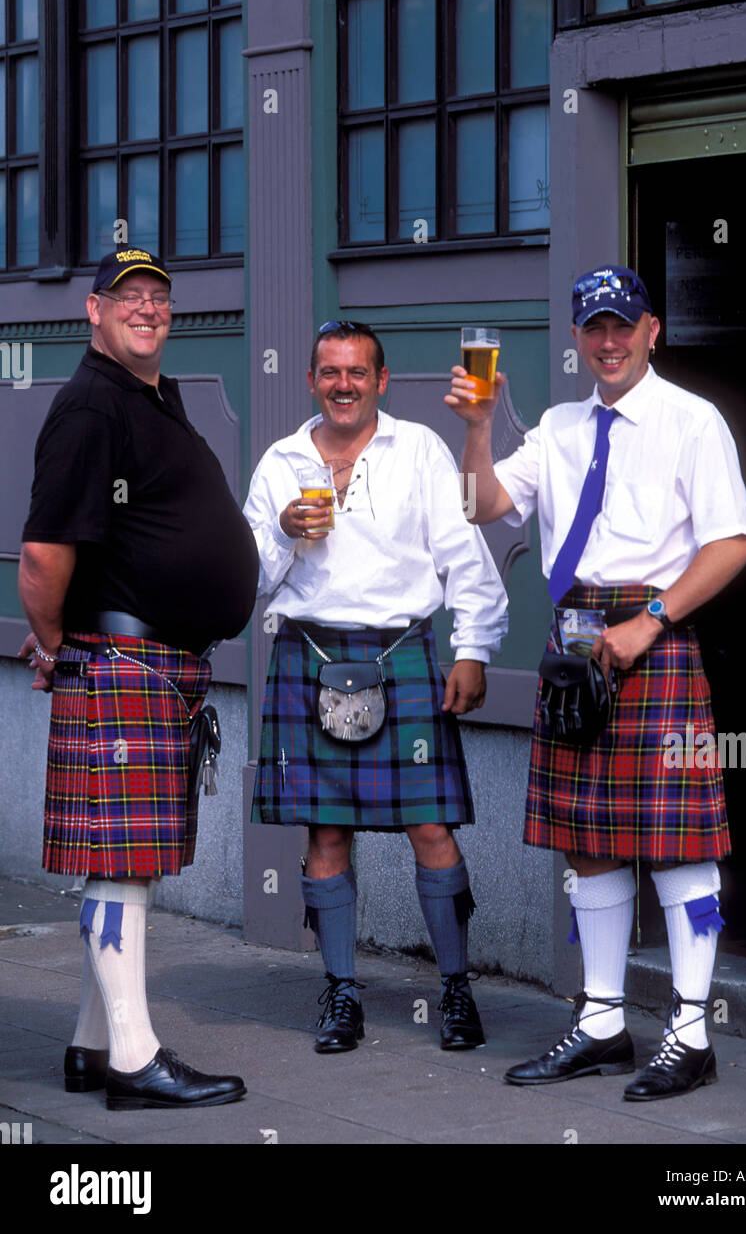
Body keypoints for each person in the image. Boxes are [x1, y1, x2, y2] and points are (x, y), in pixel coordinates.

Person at [446, 266, 746, 1100]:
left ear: (651, 329)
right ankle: (602, 1026)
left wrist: (650, 619)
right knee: (588, 842)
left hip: (652, 641)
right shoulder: (557, 425)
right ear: (578, 337)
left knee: (678, 842)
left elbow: (732, 541)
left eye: (623, 325)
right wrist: (477, 428)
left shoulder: (693, 421)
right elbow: (484, 505)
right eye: (594, 328)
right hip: (573, 639)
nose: (609, 342)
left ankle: (690, 1034)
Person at [19, 247, 259, 1110]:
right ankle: (133, 1056)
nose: (146, 308)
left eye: (158, 296)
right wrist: (55, 647)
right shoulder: (88, 405)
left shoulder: (153, 396)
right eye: (128, 298)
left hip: (155, 666)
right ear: (92, 311)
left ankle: (91, 1044)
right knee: (118, 862)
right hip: (122, 660)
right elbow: (45, 552)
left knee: (126, 862)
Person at [244, 320, 507, 1054]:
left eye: (357, 372)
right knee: (325, 831)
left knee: (430, 828)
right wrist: (286, 535)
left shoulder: (418, 449)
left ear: (380, 381)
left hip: (404, 656)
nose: (343, 384)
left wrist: (473, 649)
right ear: (310, 380)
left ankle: (455, 990)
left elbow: (464, 554)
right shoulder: (281, 462)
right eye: (329, 372)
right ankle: (341, 993)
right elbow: (247, 581)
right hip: (309, 653)